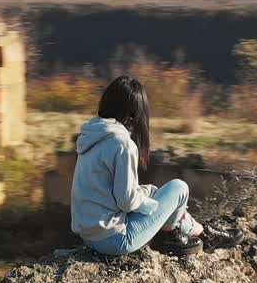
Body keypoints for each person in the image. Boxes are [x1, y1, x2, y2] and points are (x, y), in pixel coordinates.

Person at [70, 75, 244, 257]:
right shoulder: (121, 143)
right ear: (135, 112)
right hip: (114, 240)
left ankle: (204, 234)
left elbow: (108, 193)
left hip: (89, 236)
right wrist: (153, 205)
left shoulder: (91, 136)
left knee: (154, 193)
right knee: (179, 188)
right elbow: (126, 201)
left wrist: (150, 195)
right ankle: (170, 236)